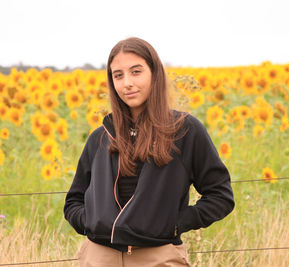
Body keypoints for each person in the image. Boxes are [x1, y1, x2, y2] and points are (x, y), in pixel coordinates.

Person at [64, 37, 235, 267]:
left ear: (155, 73)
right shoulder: (100, 137)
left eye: (136, 72)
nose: (127, 83)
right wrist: (91, 222)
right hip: (99, 257)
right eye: (118, 75)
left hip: (158, 257)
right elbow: (73, 200)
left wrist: (174, 224)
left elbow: (220, 196)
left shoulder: (185, 131)